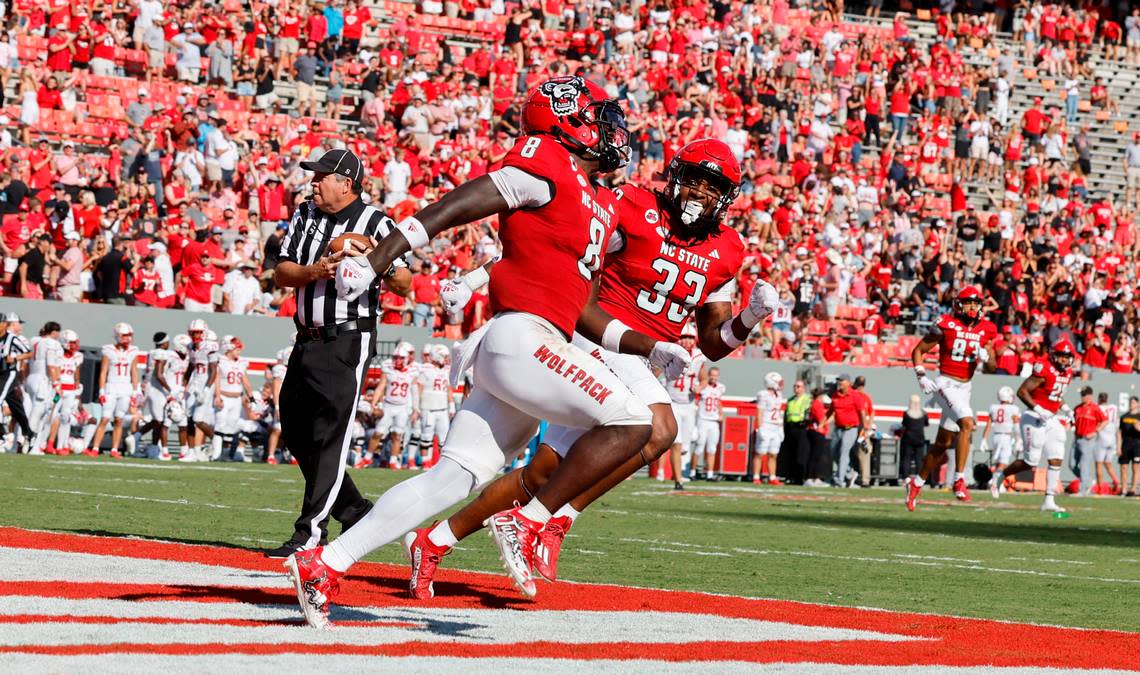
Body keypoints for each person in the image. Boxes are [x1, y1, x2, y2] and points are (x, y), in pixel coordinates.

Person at [288, 77, 671, 624]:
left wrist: (649, 347)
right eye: (596, 116)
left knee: (455, 478)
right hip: (521, 340)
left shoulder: (596, 199)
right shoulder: (545, 163)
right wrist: (377, 261)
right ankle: (532, 519)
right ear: (567, 123)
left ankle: (325, 562)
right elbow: (455, 206)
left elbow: (583, 312)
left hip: (535, 346)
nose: (610, 129)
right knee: (637, 422)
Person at [397, 138, 779, 598]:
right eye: (694, 178)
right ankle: (545, 522)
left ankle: (434, 541)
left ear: (726, 197)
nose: (699, 191)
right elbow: (564, 245)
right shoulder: (635, 205)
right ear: (675, 175)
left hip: (641, 357)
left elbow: (714, 343)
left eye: (711, 184)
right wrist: (479, 277)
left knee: (544, 472)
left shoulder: (727, 249)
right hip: (593, 334)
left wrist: (752, 316)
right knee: (660, 428)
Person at [268, 147, 411, 560]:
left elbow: (405, 283)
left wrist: (374, 257)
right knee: (296, 431)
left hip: (347, 338)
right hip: (306, 337)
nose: (313, 184)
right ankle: (355, 511)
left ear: (346, 184)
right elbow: (281, 272)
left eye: (321, 178)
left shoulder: (377, 223)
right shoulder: (304, 215)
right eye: (313, 177)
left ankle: (310, 533)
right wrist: (317, 271)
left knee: (331, 434)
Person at [905, 286, 998, 509]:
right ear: (958, 304)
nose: (973, 307)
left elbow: (993, 367)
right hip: (945, 382)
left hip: (966, 388)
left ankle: (916, 484)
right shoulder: (946, 324)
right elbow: (918, 350)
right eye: (968, 303)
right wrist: (921, 375)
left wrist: (987, 357)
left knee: (941, 445)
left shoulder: (987, 329)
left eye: (976, 303)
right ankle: (959, 480)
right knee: (967, 423)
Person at [990, 339, 1076, 513]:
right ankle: (1001, 475)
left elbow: (1055, 396)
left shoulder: (1067, 373)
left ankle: (1049, 500)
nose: (1065, 360)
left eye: (1067, 357)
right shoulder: (1043, 368)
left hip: (1051, 418)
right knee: (1031, 461)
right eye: (1061, 356)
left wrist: (1067, 409)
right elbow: (1022, 391)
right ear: (1054, 355)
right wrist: (1037, 408)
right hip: (1033, 416)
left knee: (1056, 457)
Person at [85, 323, 139, 459]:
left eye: (129, 335)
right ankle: (95, 448)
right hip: (111, 387)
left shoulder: (133, 351)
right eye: (125, 335)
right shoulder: (108, 350)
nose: (128, 338)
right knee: (105, 418)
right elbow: (103, 372)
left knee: (119, 420)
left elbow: (134, 372)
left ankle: (115, 449)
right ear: (118, 336)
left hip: (125, 388)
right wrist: (102, 391)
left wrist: (134, 391)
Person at [365, 341, 418, 469]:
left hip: (402, 407)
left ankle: (393, 461)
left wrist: (416, 409)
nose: (397, 360)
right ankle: (367, 458)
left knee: (397, 435)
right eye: (395, 357)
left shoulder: (413, 371)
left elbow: (414, 391)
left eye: (401, 358)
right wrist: (374, 403)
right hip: (388, 405)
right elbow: (381, 386)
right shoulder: (388, 368)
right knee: (378, 433)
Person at [666, 323, 707, 489]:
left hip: (689, 405)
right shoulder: (669, 352)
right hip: (672, 402)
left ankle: (682, 473)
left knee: (685, 444)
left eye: (690, 337)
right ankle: (678, 480)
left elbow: (703, 379)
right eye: (684, 337)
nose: (687, 341)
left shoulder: (698, 358)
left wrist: (699, 386)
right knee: (676, 443)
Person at [180, 320, 219, 462]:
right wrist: (182, 386)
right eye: (193, 332)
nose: (195, 335)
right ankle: (192, 452)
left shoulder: (211, 346)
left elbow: (214, 370)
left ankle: (216, 440)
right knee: (189, 418)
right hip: (194, 384)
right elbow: (190, 368)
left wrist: (208, 389)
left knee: (198, 419)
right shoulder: (190, 347)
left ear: (204, 332)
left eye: (198, 332)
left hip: (205, 384)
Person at [213, 335, 253, 462]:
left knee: (231, 426)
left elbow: (244, 379)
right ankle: (216, 453)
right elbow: (217, 379)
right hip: (225, 397)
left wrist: (251, 396)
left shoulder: (242, 362)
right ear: (228, 348)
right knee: (220, 426)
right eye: (236, 349)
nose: (239, 351)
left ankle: (225, 454)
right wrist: (217, 396)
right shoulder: (221, 361)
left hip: (237, 399)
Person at [137, 332, 176, 460]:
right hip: (156, 388)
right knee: (159, 421)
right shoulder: (162, 353)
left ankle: (136, 438)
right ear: (164, 343)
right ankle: (153, 448)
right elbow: (159, 374)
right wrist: (169, 389)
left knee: (153, 419)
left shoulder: (151, 352)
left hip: (147, 385)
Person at [25, 321, 63, 451]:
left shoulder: (34, 340)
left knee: (33, 411)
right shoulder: (52, 343)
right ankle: (29, 442)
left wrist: (24, 380)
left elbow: (27, 361)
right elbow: (52, 365)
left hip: (31, 377)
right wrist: (57, 384)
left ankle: (29, 443)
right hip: (43, 379)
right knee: (39, 411)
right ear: (54, 332)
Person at [824, 374, 865, 488]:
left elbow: (862, 413)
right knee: (833, 452)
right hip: (838, 428)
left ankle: (839, 480)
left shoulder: (855, 396)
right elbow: (831, 411)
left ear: (849, 383)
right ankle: (849, 473)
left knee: (843, 452)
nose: (839, 382)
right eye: (839, 380)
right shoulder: (836, 395)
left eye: (842, 380)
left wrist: (864, 429)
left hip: (851, 428)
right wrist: (824, 422)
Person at [46, 330, 83, 455]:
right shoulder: (58, 354)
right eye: (72, 343)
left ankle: (62, 445)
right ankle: (45, 444)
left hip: (70, 391)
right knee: (52, 415)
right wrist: (56, 386)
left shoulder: (78, 356)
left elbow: (77, 375)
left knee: (66, 417)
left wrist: (77, 390)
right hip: (58, 389)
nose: (75, 346)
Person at [982, 386, 1020, 493]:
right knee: (1004, 462)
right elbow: (1016, 425)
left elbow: (988, 425)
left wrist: (984, 439)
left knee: (999, 462)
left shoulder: (993, 407)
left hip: (996, 436)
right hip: (1006, 437)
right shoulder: (1013, 409)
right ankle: (996, 482)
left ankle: (995, 481)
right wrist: (1018, 439)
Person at [1073, 387, 1109, 497]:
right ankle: (1088, 481)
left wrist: (1095, 431)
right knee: (1072, 464)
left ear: (1090, 396)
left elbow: (1105, 420)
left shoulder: (1095, 408)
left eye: (1084, 395)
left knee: (1084, 465)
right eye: (1082, 394)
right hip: (1077, 438)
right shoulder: (1077, 408)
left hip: (1088, 439)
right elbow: (1073, 421)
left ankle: (1083, 490)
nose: (1082, 397)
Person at [695, 367, 727, 481]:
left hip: (713, 421)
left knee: (712, 448)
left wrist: (721, 413)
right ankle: (692, 472)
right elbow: (696, 401)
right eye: (712, 375)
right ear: (708, 375)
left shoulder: (720, 387)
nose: (714, 377)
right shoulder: (703, 387)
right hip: (703, 420)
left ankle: (709, 474)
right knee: (699, 446)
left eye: (716, 375)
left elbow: (718, 402)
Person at [753, 372, 785, 485]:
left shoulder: (779, 395)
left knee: (773, 454)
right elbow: (760, 412)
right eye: (779, 382)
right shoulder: (763, 394)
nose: (781, 384)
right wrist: (760, 427)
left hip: (775, 426)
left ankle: (772, 477)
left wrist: (781, 428)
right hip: (766, 425)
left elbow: (779, 412)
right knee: (760, 453)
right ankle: (756, 476)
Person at [779, 380, 812, 485]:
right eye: (795, 386)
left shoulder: (807, 399)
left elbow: (809, 413)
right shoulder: (790, 400)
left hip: (801, 428)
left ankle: (799, 478)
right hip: (790, 427)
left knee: (800, 454)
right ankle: (790, 476)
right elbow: (786, 414)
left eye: (799, 386)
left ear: (803, 388)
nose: (796, 388)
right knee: (790, 454)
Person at [1094, 392, 1121, 495]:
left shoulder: (1098, 408)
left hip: (1102, 438)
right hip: (1112, 439)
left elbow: (1099, 422)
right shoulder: (1113, 407)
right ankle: (1116, 482)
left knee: (1099, 464)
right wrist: (1118, 445)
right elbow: (1117, 427)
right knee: (1108, 463)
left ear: (1099, 399)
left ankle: (1100, 488)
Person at [897, 394, 928, 480]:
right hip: (919, 438)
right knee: (919, 459)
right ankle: (920, 478)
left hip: (908, 438)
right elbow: (926, 424)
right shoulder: (923, 413)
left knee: (906, 458)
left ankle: (905, 477)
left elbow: (904, 424)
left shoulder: (907, 414)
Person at [1117, 397, 1140, 497]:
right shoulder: (1124, 417)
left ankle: (1133, 489)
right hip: (1125, 445)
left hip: (1137, 445)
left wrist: (1138, 428)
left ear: (1138, 404)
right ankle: (1124, 489)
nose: (1132, 404)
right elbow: (1119, 432)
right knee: (1124, 467)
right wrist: (1118, 447)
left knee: (1135, 467)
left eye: (1134, 402)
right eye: (1131, 402)